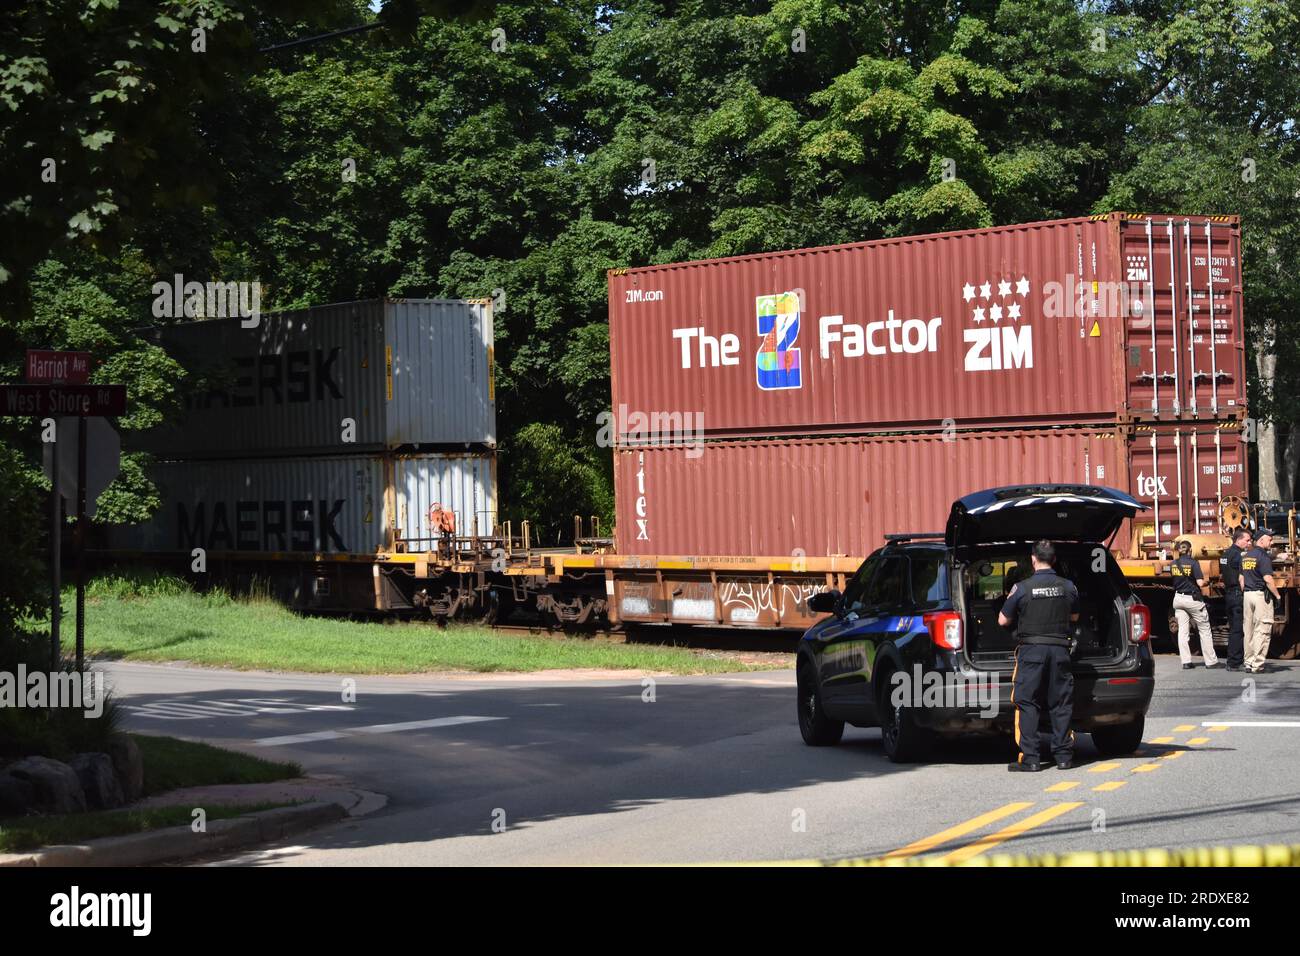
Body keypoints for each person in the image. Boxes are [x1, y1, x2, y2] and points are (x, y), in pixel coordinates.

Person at [998, 540, 1080, 772]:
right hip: (1060, 650)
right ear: (1054, 560)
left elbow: (1002, 620)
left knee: (1027, 702)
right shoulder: (1069, 587)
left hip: (1031, 652)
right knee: (1061, 702)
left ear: (1033, 559)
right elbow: (1074, 618)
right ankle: (1064, 757)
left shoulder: (1022, 588)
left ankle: (1031, 759)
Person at [1171, 539, 1220, 669]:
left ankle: (1186, 662)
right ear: (1190, 550)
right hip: (1192, 600)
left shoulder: (1174, 563)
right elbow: (1199, 583)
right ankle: (1211, 662)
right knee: (1204, 629)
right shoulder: (1193, 563)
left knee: (1182, 631)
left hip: (1178, 598)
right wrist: (1207, 583)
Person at [1241, 528, 1281, 674]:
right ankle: (1257, 665)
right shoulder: (1263, 556)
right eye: (1269, 539)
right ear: (1261, 540)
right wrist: (1277, 596)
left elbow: (1241, 579)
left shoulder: (1246, 556)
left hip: (1247, 595)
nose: (1271, 541)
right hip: (1259, 596)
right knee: (1262, 630)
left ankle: (1248, 662)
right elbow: (1268, 579)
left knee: (1249, 630)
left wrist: (1246, 592)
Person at [1220, 528, 1251, 671]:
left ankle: (1232, 660)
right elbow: (1241, 577)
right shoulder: (1239, 556)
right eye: (1247, 540)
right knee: (1238, 630)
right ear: (1238, 540)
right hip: (1238, 594)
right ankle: (1234, 662)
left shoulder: (1225, 554)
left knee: (1233, 629)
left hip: (1228, 594)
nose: (1249, 543)